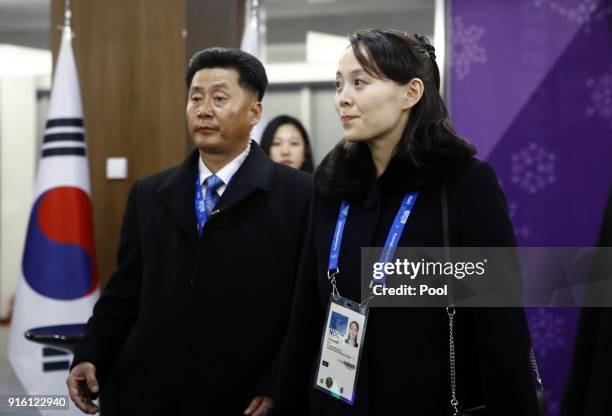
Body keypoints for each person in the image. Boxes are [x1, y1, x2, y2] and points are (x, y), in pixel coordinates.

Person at [270, 29, 539, 415]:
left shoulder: (463, 184)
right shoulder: (331, 187)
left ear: (411, 93)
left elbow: (500, 328)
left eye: (360, 83)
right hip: (336, 402)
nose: (342, 97)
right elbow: (306, 317)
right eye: (339, 84)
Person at [67, 47, 312, 416]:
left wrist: (278, 379)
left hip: (243, 395)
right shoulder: (149, 194)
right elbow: (124, 293)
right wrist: (91, 353)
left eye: (219, 98)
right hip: (150, 391)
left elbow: (306, 304)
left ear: (254, 112)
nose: (203, 109)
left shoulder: (299, 194)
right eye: (195, 98)